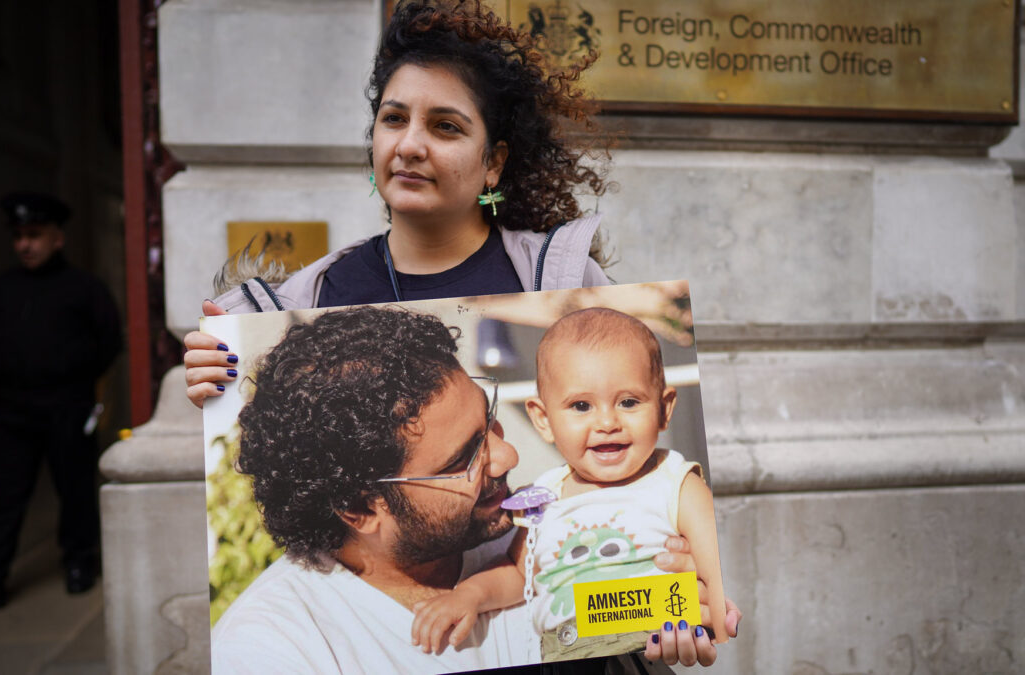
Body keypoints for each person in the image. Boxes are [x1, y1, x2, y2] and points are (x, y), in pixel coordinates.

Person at [185, 0, 741, 668]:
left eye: (445, 126)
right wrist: (211, 378)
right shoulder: (311, 301)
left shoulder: (554, 277)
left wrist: (663, 605)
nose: (410, 144)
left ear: (493, 162)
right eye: (394, 119)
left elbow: (616, 548)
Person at [211, 306, 720, 674]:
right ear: (360, 507)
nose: (508, 457)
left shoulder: (547, 536)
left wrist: (662, 605)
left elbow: (609, 625)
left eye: (490, 422)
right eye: (462, 459)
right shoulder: (276, 647)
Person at [410, 309, 728, 664]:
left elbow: (717, 569)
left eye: (628, 402)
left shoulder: (675, 482)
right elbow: (520, 573)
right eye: (581, 406)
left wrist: (718, 625)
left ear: (664, 409)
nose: (607, 422)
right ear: (543, 420)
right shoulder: (546, 496)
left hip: (645, 644)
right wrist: (469, 595)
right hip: (563, 652)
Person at [0, 191, 122, 609]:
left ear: (57, 238)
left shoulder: (84, 288)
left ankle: (80, 561)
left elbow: (109, 342)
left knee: (74, 489)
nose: (25, 244)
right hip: (14, 412)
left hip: (67, 407)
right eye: (19, 236)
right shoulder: (2, 288)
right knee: (5, 493)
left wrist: (73, 376)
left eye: (34, 235)